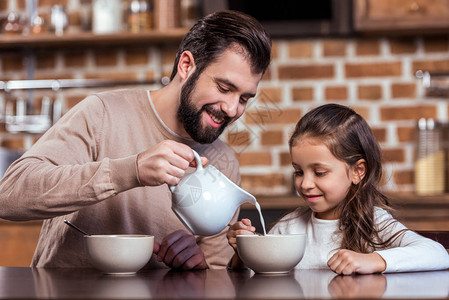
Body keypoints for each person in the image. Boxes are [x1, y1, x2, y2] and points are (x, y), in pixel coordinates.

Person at [0, 10, 271, 270]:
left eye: (244, 98)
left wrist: (195, 265)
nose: (233, 109)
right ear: (186, 65)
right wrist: (133, 170)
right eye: (224, 88)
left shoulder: (224, 166)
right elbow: (9, 196)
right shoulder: (102, 113)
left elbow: (216, 277)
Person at [227, 103, 449, 274]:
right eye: (299, 171)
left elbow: (439, 255)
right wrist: (243, 251)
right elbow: (254, 278)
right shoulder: (288, 228)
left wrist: (374, 260)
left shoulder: (375, 223)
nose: (305, 184)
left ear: (357, 172)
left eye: (320, 172)